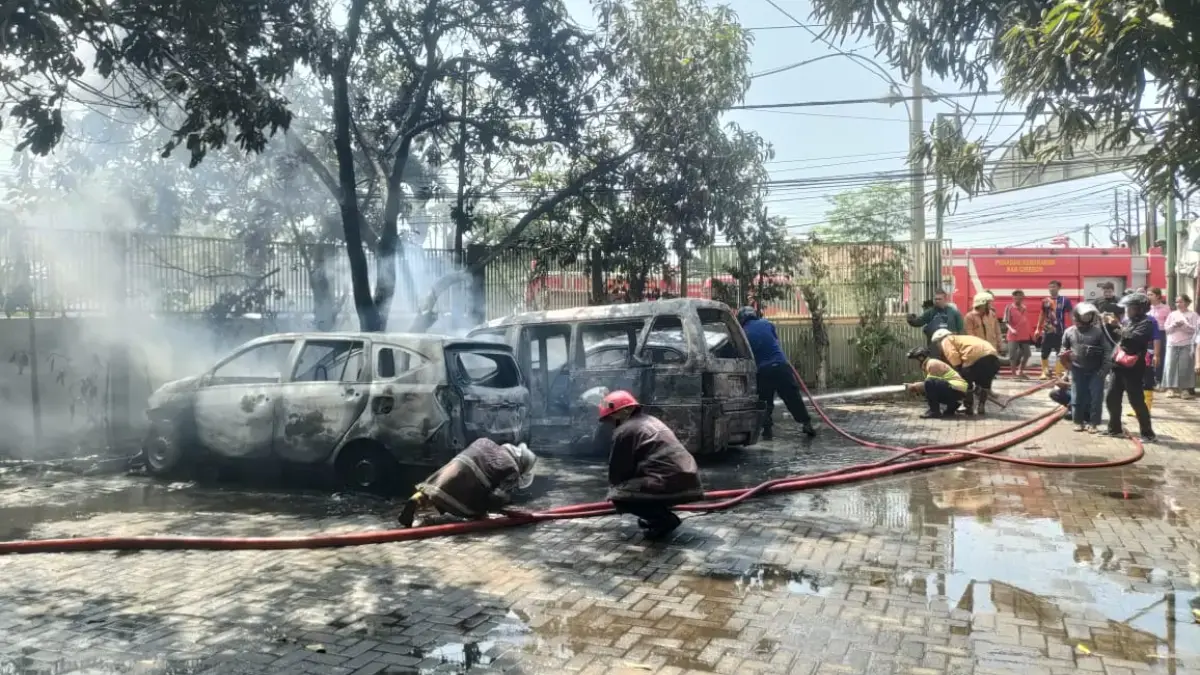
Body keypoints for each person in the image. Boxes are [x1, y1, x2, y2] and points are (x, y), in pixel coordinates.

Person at [598, 390, 704, 539]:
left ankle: (663, 520)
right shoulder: (650, 420)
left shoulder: (625, 431)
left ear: (626, 410)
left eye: (611, 416)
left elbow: (618, 471)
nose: (610, 422)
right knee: (639, 483)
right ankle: (658, 515)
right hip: (690, 481)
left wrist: (615, 490)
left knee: (618, 494)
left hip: (668, 482)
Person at [397, 439, 538, 528]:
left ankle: (416, 499)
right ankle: (430, 518)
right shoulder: (512, 469)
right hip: (468, 487)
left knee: (437, 489)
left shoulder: (486, 441)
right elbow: (497, 496)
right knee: (456, 500)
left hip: (451, 470)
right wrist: (498, 507)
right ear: (523, 464)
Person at [738, 306, 816, 439]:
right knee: (793, 397)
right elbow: (775, 341)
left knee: (764, 402)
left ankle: (767, 430)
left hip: (763, 371)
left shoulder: (743, 333)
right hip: (781, 366)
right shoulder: (767, 323)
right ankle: (806, 423)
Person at [1104, 292, 1157, 442]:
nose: (1128, 311)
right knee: (1111, 398)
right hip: (1118, 366)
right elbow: (1117, 338)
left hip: (1133, 368)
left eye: (1131, 308)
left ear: (1140, 309)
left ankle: (1148, 433)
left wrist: (1118, 325)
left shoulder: (1146, 323)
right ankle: (1114, 429)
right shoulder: (1128, 322)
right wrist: (1108, 324)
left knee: (1136, 401)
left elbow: (1134, 339)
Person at [1060, 302, 1118, 433]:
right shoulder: (1069, 332)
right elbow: (1063, 349)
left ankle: (1093, 424)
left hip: (1096, 370)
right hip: (1077, 369)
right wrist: (1067, 357)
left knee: (1096, 398)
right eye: (1085, 315)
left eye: (1089, 315)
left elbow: (1108, 352)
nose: (1087, 318)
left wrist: (1104, 370)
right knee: (1077, 396)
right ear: (1076, 316)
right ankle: (1078, 422)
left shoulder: (1098, 332)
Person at [930, 329, 1001, 415]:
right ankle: (981, 406)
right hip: (993, 358)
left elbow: (953, 355)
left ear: (939, 339)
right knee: (985, 384)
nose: (938, 346)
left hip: (974, 356)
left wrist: (958, 371)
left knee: (966, 383)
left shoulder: (946, 340)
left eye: (937, 344)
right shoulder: (963, 338)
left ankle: (968, 407)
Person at [905, 346, 969, 419]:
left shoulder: (931, 364)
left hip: (955, 389)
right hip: (956, 390)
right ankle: (953, 405)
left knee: (929, 383)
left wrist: (914, 386)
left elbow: (931, 383)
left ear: (921, 357)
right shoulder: (929, 363)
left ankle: (934, 411)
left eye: (916, 359)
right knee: (928, 385)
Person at [1162, 294, 1200, 399]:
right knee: (1170, 365)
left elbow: (1195, 330)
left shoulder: (1193, 315)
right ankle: (1170, 388)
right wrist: (1174, 325)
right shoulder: (1172, 314)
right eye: (1177, 302)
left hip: (1186, 343)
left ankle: (1185, 389)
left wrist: (1184, 325)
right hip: (1172, 343)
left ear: (1187, 303)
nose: (1178, 304)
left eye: (1181, 302)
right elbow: (1167, 329)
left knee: (1185, 367)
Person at [1003, 290, 1034, 378]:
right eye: (1017, 296)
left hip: (1024, 334)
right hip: (1013, 335)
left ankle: (1020, 371)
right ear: (1013, 297)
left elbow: (1026, 321)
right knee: (1013, 355)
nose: (1019, 298)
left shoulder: (1024, 307)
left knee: (1027, 354)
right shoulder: (1009, 307)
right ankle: (1013, 374)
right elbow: (1006, 322)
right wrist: (1011, 329)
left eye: (1021, 296)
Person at [1035, 295, 1066, 380]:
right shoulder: (1046, 301)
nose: (1052, 288)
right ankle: (1045, 372)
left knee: (1060, 352)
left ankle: (1058, 373)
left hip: (1060, 331)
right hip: (1047, 330)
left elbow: (1071, 313)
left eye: (1054, 286)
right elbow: (1042, 314)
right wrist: (1038, 328)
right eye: (1051, 286)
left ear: (1059, 287)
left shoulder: (1064, 300)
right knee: (1044, 352)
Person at [1149, 287, 1171, 386]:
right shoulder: (1147, 307)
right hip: (1148, 333)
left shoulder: (1166, 308)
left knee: (1159, 356)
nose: (1148, 296)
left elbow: (1169, 322)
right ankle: (1149, 378)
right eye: (1148, 294)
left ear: (1157, 296)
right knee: (1148, 356)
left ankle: (1159, 379)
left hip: (1161, 333)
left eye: (1151, 294)